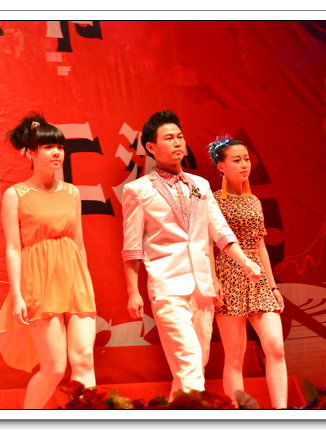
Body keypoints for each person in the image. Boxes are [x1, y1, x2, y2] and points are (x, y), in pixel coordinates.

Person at [121, 110, 261, 399]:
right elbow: (132, 245)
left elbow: (220, 231)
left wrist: (245, 262)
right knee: (190, 365)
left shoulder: (201, 185)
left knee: (194, 365)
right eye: (168, 138)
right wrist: (132, 290)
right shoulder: (137, 191)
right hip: (168, 286)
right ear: (151, 147)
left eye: (180, 137)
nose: (177, 143)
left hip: (202, 288)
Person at [0, 113, 97, 409]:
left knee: (84, 359)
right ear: (31, 152)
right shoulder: (15, 195)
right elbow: (13, 248)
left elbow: (79, 244)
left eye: (60, 147)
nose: (56, 153)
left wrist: (86, 283)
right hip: (38, 283)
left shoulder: (72, 192)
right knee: (54, 368)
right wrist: (17, 295)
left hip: (75, 280)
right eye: (48, 147)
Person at [208, 135, 288, 409]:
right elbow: (208, 244)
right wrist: (214, 279)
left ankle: (282, 413)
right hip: (227, 274)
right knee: (235, 355)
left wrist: (273, 286)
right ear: (220, 166)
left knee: (276, 347)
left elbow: (260, 245)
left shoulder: (255, 201)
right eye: (236, 160)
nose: (244, 165)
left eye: (246, 159)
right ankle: (238, 414)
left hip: (258, 278)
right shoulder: (213, 201)